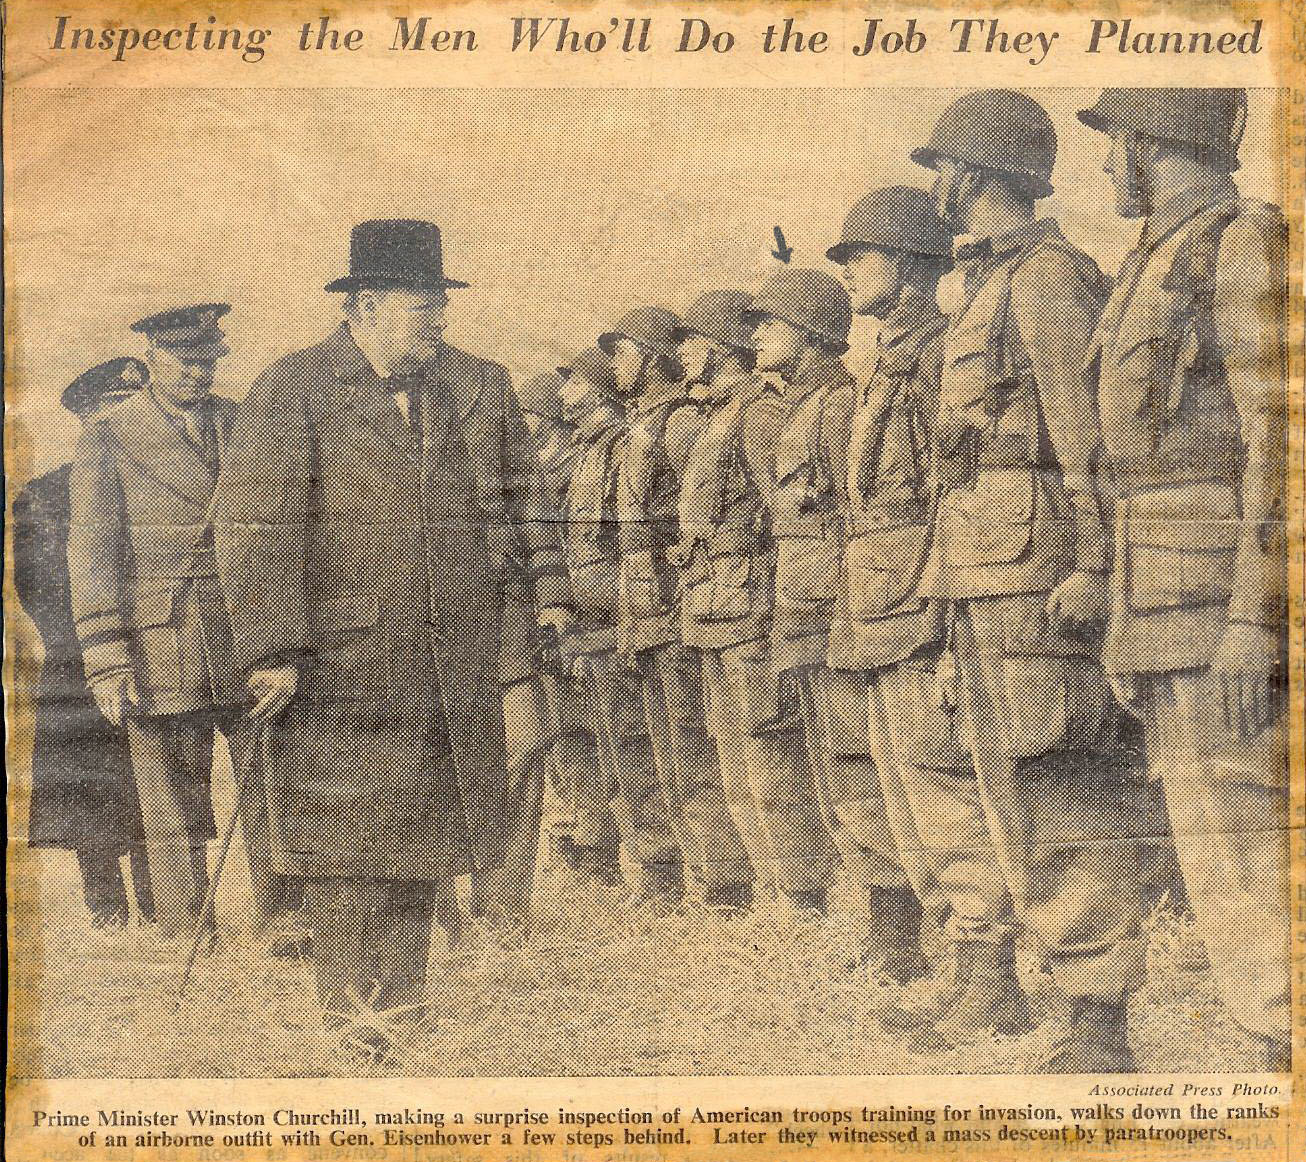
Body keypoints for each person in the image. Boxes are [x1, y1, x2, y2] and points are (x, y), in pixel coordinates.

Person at [211, 220, 567, 1063]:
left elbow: (509, 505)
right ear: (365, 307)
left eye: (442, 303)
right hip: (340, 667)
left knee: (424, 839)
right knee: (346, 849)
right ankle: (351, 1019)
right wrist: (272, 649)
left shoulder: (459, 390)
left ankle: (399, 1012)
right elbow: (255, 528)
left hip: (446, 661)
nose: (439, 320)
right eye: (423, 305)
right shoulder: (292, 387)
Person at [905, 89, 1145, 1071]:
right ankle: (1002, 985)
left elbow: (1085, 440)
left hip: (1038, 575)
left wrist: (1093, 561)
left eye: (944, 166)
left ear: (981, 171)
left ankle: (1098, 1019)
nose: (937, 184)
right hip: (982, 572)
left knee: (1062, 787)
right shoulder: (987, 283)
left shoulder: (1047, 279)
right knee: (999, 783)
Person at [1078, 87, 1289, 1069]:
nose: (1105, 161)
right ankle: (1267, 1037)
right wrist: (1124, 620)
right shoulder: (1151, 259)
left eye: (1112, 138)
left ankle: (1277, 1045)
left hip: (1220, 610)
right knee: (1214, 845)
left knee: (1251, 841)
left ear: (1146, 139)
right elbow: (1131, 472)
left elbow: (1278, 434)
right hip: (1162, 603)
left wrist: (1256, 617)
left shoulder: (1236, 244)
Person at [67, 305, 283, 940]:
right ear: (154, 361)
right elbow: (94, 551)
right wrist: (107, 661)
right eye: (186, 361)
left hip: (246, 641)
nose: (199, 372)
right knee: (172, 807)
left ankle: (285, 925)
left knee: (270, 795)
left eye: (209, 360)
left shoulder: (245, 423)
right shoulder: (110, 432)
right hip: (161, 646)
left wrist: (279, 639)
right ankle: (185, 933)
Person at [824, 187, 956, 981]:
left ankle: (983, 972)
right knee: (886, 787)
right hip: (872, 604)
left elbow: (953, 494)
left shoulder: (938, 355)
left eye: (859, 256)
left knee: (940, 790)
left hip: (914, 607)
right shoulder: (887, 361)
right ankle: (899, 945)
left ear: (907, 264)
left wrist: (941, 617)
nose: (846, 274)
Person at [604, 305, 754, 912]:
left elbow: (686, 518)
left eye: (627, 351)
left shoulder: (683, 423)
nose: (617, 364)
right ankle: (684, 873)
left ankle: (718, 879)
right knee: (660, 743)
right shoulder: (644, 423)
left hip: (677, 596)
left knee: (693, 743)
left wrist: (662, 594)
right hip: (646, 597)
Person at [15, 357, 153, 928]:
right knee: (88, 795)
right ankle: (108, 913)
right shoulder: (45, 495)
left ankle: (162, 907)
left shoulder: (155, 475)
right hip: (78, 660)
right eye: (115, 410)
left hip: (150, 645)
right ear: (88, 418)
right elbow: (36, 585)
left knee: (155, 786)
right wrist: (93, 642)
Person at [741, 268, 861, 916]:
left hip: (835, 618)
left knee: (855, 769)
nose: (756, 335)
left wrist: (846, 615)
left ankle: (894, 930)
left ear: (811, 332)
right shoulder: (800, 410)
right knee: (830, 770)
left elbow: (854, 518)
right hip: (803, 616)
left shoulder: (836, 407)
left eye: (771, 323)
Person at [557, 343, 683, 905]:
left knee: (643, 742)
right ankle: (640, 867)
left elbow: (635, 540)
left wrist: (636, 614)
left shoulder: (629, 442)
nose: (566, 394)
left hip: (625, 604)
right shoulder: (586, 451)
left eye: (576, 382)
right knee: (611, 743)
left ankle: (663, 871)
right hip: (593, 607)